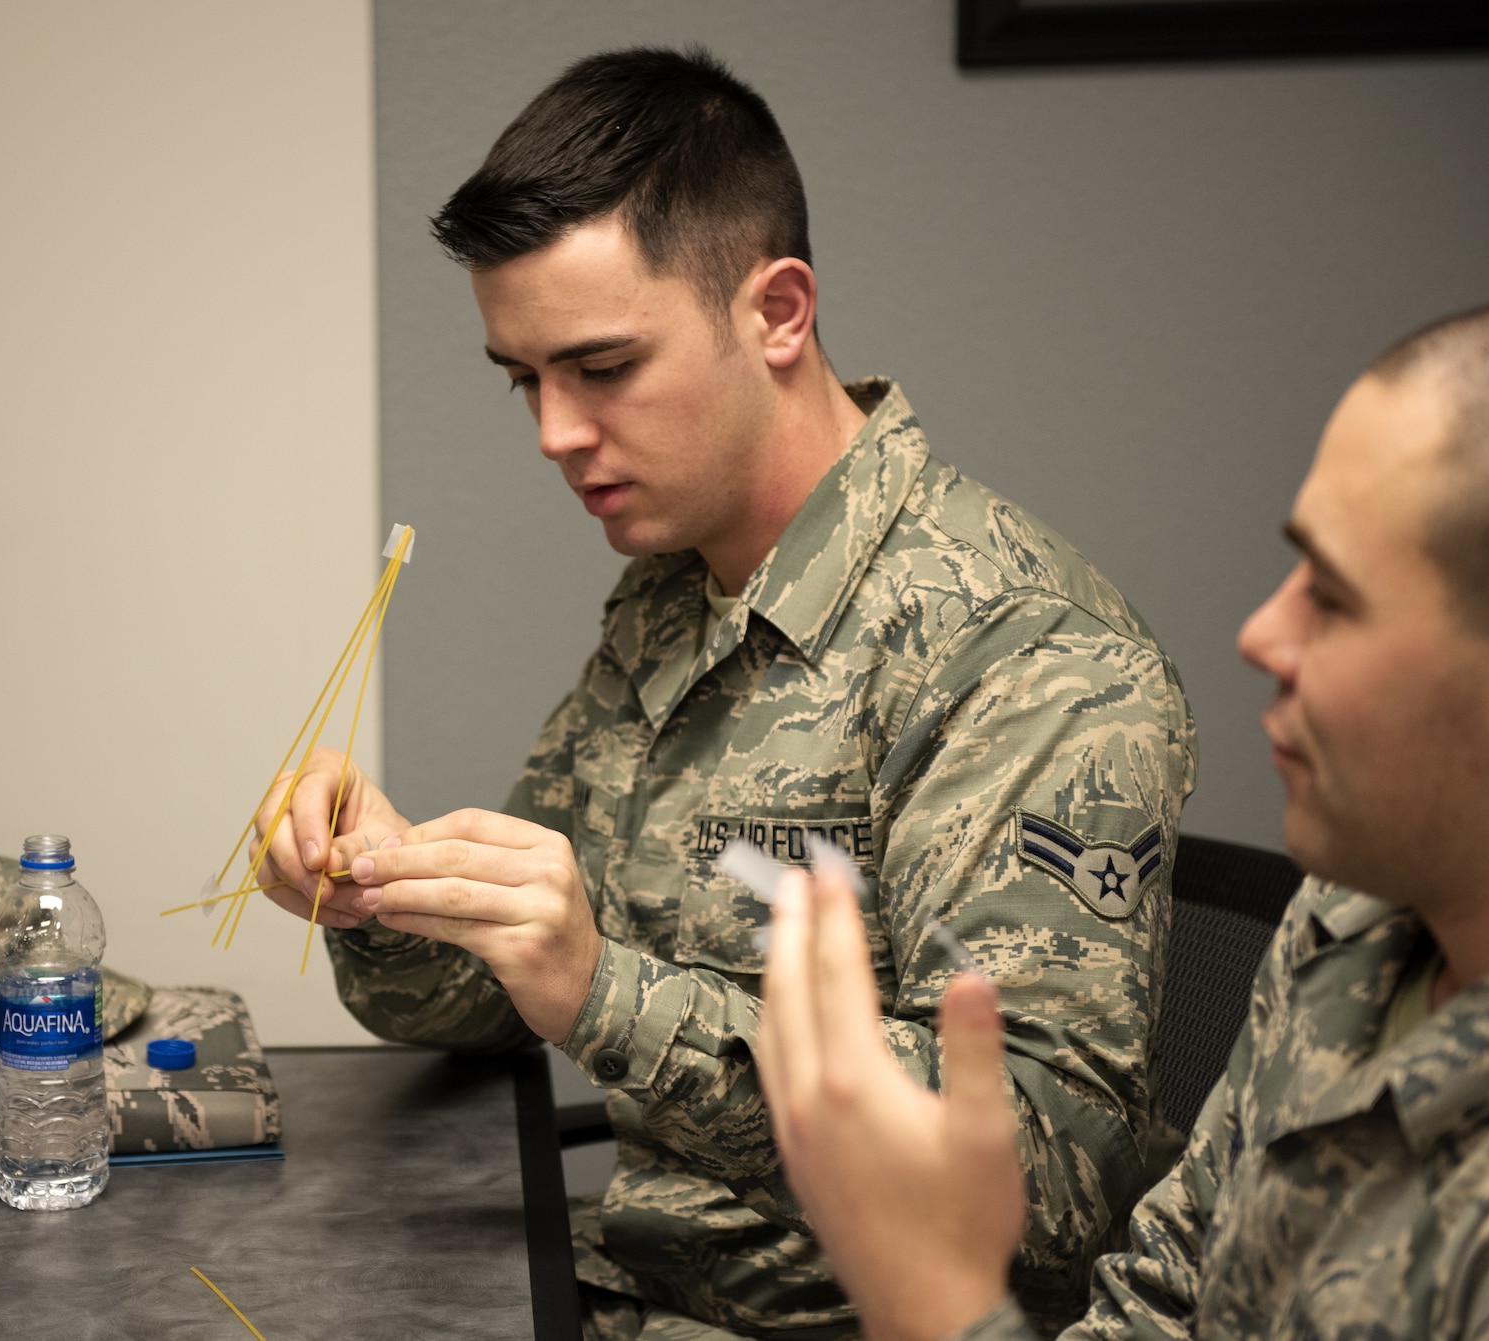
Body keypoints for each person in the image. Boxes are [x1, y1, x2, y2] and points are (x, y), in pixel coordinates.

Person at [253, 47, 1196, 1339]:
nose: (554, 434)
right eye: (524, 379)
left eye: (600, 366)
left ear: (779, 313)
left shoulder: (1025, 656)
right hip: (614, 1290)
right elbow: (482, 1002)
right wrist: (378, 888)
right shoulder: (676, 594)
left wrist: (601, 992)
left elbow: (1036, 1180)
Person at [756, 294, 1489, 1341]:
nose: (1258, 634)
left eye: (1332, 594)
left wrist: (932, 1298)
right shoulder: (1351, 921)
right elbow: (1164, 1300)